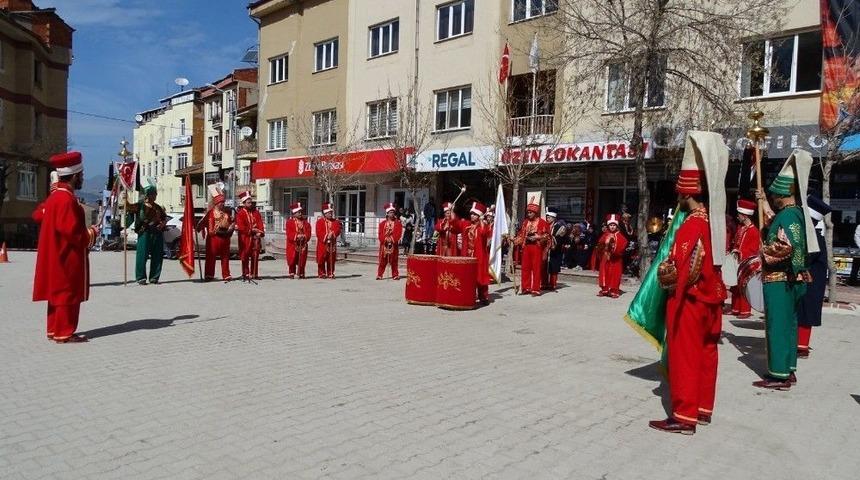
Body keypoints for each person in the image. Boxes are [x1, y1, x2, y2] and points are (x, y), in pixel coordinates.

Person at [650, 131, 727, 435]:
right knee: (708, 354)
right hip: (713, 300)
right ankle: (703, 409)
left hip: (690, 301)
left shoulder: (691, 225)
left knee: (684, 357)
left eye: (679, 194)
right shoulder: (717, 222)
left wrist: (666, 276)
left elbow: (683, 269)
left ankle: (683, 416)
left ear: (686, 194)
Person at [753, 151, 817, 390]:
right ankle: (788, 369)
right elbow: (776, 225)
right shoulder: (793, 213)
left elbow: (786, 247)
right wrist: (763, 205)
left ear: (783, 194)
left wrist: (764, 250)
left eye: (774, 194)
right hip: (792, 280)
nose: (773, 196)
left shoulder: (788, 216)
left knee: (778, 327)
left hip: (781, 280)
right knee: (788, 326)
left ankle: (778, 375)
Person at [33, 151, 100, 343]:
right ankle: (64, 331)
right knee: (67, 293)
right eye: (81, 175)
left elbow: (40, 216)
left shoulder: (55, 197)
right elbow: (72, 232)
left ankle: (54, 328)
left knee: (57, 293)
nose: (83, 178)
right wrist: (92, 232)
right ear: (75, 175)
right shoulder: (66, 200)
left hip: (56, 253)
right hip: (66, 255)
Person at [797, 196, 831, 359]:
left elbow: (806, 258)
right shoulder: (813, 234)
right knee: (803, 312)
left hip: (811, 281)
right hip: (810, 279)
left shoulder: (814, 237)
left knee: (805, 312)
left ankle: (801, 347)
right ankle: (799, 344)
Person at [124, 181, 167, 285]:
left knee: (157, 256)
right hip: (144, 233)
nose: (155, 195)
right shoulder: (140, 205)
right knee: (142, 256)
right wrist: (125, 199)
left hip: (157, 233)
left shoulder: (158, 208)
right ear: (148, 194)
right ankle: (141, 277)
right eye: (153, 194)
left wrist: (162, 224)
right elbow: (129, 207)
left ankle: (154, 277)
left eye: (155, 194)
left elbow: (164, 218)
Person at [728, 199, 761, 318]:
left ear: (744, 215)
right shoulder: (741, 228)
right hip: (738, 261)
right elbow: (736, 242)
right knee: (735, 285)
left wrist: (741, 252)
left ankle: (745, 311)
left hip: (746, 262)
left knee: (744, 286)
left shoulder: (754, 231)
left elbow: (753, 249)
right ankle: (735, 308)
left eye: (739, 214)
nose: (737, 217)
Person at [196, 185, 233, 281]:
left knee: (225, 257)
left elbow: (230, 224)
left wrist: (231, 228)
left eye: (223, 202)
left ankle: (226, 274)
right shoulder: (211, 213)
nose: (222, 204)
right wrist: (198, 227)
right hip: (213, 239)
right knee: (210, 257)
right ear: (216, 203)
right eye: (221, 202)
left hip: (225, 238)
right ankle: (209, 275)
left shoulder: (226, 214)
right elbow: (203, 223)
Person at [514, 202, 549, 295]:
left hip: (536, 247)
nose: (528, 214)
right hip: (526, 247)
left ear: (535, 213)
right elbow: (521, 234)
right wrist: (515, 240)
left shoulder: (542, 222)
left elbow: (548, 236)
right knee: (525, 268)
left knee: (536, 268)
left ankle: (536, 289)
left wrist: (539, 237)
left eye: (530, 212)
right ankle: (526, 288)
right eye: (528, 212)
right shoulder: (525, 222)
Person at [460, 202, 491, 305]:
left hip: (479, 254)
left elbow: (483, 233)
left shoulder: (484, 225)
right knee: (469, 276)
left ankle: (483, 296)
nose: (472, 216)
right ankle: (470, 295)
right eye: (471, 214)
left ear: (479, 216)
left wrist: (482, 221)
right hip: (468, 254)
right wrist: (450, 212)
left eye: (475, 214)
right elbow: (456, 224)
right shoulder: (467, 224)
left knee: (480, 275)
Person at [235, 191, 265, 281]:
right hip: (245, 238)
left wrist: (260, 232)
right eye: (248, 202)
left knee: (255, 255)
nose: (250, 204)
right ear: (244, 203)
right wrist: (252, 230)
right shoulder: (240, 213)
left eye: (251, 202)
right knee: (245, 256)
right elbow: (241, 226)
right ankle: (246, 273)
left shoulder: (256, 212)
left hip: (255, 238)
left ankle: (254, 273)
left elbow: (260, 223)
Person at [597, 214, 628, 298]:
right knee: (604, 272)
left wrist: (614, 249)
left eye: (614, 225)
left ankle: (614, 290)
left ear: (617, 226)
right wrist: (602, 249)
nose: (612, 227)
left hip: (615, 259)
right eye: (611, 225)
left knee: (615, 274)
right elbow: (600, 245)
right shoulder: (605, 234)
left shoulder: (619, 235)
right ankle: (605, 289)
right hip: (605, 258)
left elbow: (623, 244)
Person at [315, 202, 342, 279]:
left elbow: (338, 230)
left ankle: (330, 272)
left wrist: (333, 234)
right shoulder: (319, 222)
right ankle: (321, 273)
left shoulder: (335, 221)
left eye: (331, 213)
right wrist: (326, 236)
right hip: (322, 243)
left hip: (332, 243)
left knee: (331, 259)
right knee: (321, 259)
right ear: (325, 213)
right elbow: (318, 232)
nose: (330, 214)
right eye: (329, 213)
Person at [285, 202, 311, 279]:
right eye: (298, 212)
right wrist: (296, 236)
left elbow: (308, 232)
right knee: (292, 258)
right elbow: (289, 233)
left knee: (302, 259)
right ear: (294, 213)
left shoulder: (305, 222)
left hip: (303, 244)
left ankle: (301, 272)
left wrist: (304, 236)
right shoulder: (289, 222)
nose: (300, 213)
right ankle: (291, 272)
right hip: (293, 244)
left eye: (301, 212)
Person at [377, 203, 403, 280]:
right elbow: (380, 234)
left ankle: (395, 274)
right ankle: (379, 274)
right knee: (382, 260)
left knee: (394, 260)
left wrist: (391, 239)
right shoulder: (382, 224)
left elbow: (398, 233)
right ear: (387, 213)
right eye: (390, 212)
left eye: (393, 212)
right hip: (384, 245)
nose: (392, 214)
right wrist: (385, 239)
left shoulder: (398, 223)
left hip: (393, 244)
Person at [544, 211, 567, 290]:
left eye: (549, 217)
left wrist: (551, 241)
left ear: (554, 218)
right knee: (546, 266)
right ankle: (545, 283)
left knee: (554, 267)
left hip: (555, 250)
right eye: (547, 217)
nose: (547, 219)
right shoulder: (546, 225)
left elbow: (561, 238)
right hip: (546, 249)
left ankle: (553, 284)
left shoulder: (559, 226)